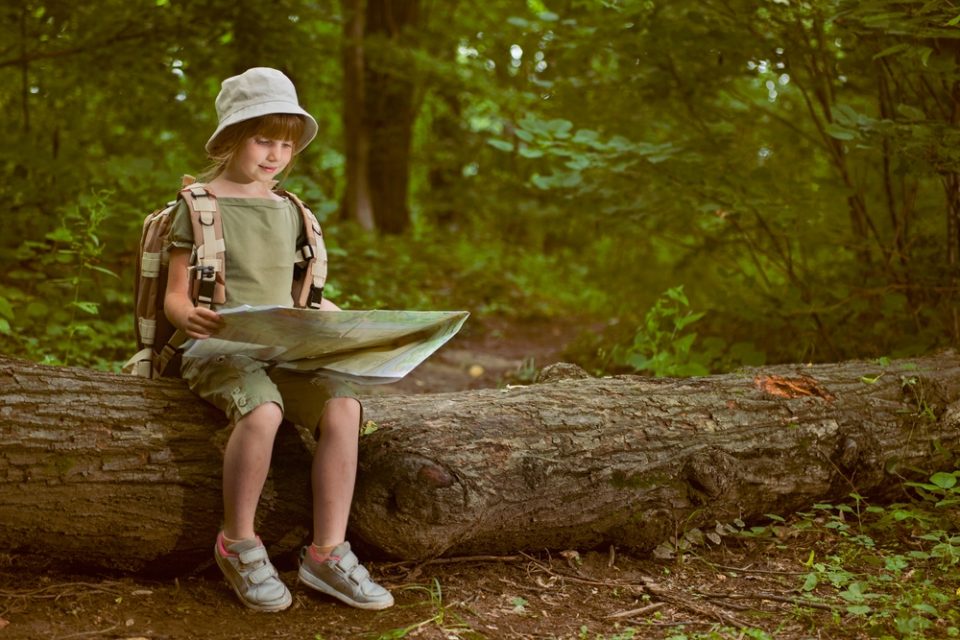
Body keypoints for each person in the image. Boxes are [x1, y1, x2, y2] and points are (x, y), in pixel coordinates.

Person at [163, 67, 394, 612]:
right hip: (219, 348)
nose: (274, 154)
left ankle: (327, 553)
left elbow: (300, 298)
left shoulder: (291, 212)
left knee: (344, 404)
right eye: (263, 139)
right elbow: (175, 295)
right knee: (263, 412)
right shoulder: (199, 207)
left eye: (286, 144)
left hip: (281, 349)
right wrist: (188, 314)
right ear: (231, 139)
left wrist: (342, 322)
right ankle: (238, 542)